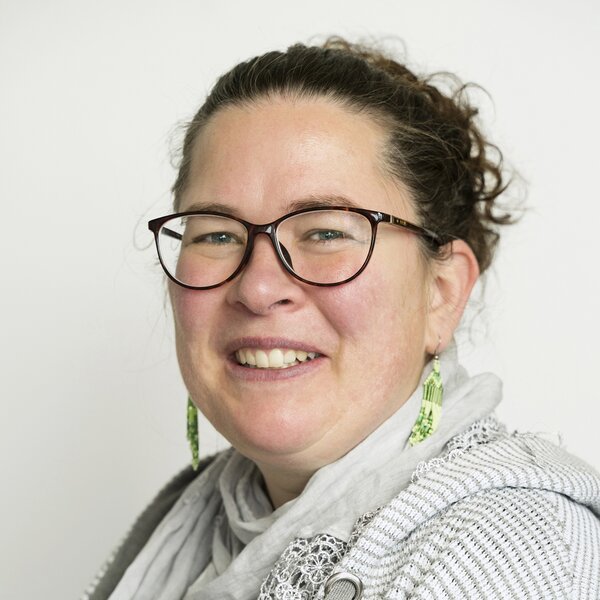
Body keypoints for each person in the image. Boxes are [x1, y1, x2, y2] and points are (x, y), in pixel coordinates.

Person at [83, 38, 600, 599]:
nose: (257, 288)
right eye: (217, 235)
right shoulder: (177, 523)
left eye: (326, 232)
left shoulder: (516, 556)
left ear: (441, 294)